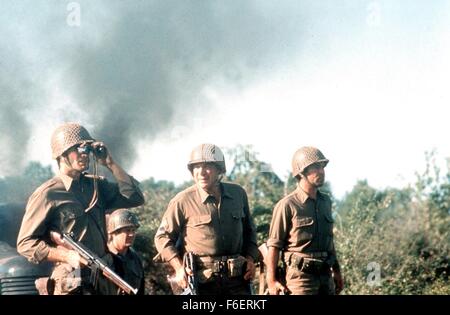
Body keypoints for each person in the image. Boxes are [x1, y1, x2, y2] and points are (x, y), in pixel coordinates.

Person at [17, 122, 145, 295]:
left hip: (102, 274)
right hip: (71, 277)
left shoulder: (96, 185)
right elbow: (25, 244)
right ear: (62, 154)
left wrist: (110, 163)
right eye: (78, 149)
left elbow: (135, 197)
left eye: (87, 149)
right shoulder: (48, 194)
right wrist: (66, 256)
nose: (84, 154)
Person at [154, 143, 259, 295]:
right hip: (203, 284)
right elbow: (162, 237)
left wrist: (250, 258)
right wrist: (178, 268)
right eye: (196, 167)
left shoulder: (238, 194)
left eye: (207, 166)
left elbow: (250, 231)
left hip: (237, 281)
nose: (201, 172)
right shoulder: (182, 200)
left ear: (219, 169)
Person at [266, 146, 344, 295]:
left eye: (322, 167)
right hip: (300, 280)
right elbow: (274, 246)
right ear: (301, 172)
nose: (321, 171)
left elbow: (329, 242)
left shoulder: (326, 202)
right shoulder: (287, 205)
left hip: (326, 277)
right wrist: (271, 281)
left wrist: (337, 271)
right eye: (315, 167)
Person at [107, 208, 145, 295]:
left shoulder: (136, 259)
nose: (132, 234)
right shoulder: (103, 257)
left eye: (133, 230)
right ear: (114, 233)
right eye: (127, 230)